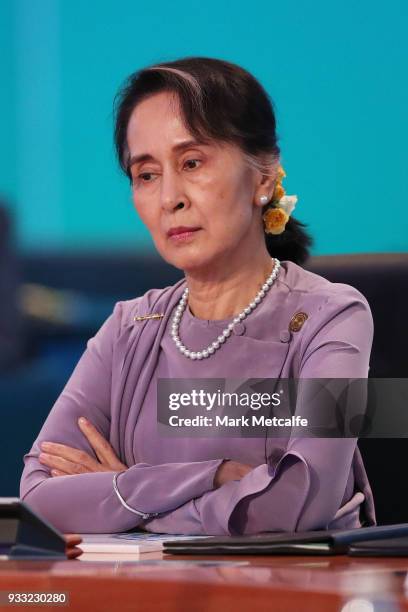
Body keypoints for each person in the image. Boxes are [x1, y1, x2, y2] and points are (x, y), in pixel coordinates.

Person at [19, 57, 375, 535]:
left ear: (263, 178)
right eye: (147, 174)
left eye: (192, 163)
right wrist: (215, 476)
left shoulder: (335, 318)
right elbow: (39, 499)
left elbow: (299, 504)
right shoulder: (130, 327)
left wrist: (123, 493)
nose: (170, 197)